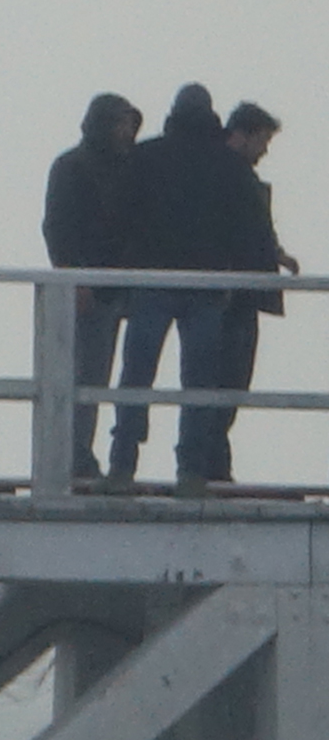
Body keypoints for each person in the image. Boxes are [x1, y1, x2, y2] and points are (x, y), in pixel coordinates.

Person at [105, 84, 272, 493]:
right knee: (200, 383)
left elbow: (118, 219)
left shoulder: (144, 157)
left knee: (136, 376)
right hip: (208, 287)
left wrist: (118, 274)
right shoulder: (228, 165)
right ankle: (191, 469)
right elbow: (249, 228)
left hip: (151, 282)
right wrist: (247, 276)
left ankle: (122, 464)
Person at [41, 93, 142, 478]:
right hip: (87, 288)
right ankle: (74, 455)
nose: (127, 131)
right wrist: (72, 276)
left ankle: (89, 454)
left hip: (123, 286)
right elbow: (56, 227)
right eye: (120, 123)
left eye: (130, 124)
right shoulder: (71, 166)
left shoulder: (131, 168)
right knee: (83, 375)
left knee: (104, 376)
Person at [208, 102, 296, 483]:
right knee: (225, 381)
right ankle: (212, 464)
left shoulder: (229, 174)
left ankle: (213, 463)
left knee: (226, 384)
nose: (264, 150)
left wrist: (275, 253)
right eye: (262, 140)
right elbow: (234, 231)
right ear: (244, 134)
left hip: (239, 294)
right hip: (233, 296)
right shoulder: (230, 176)